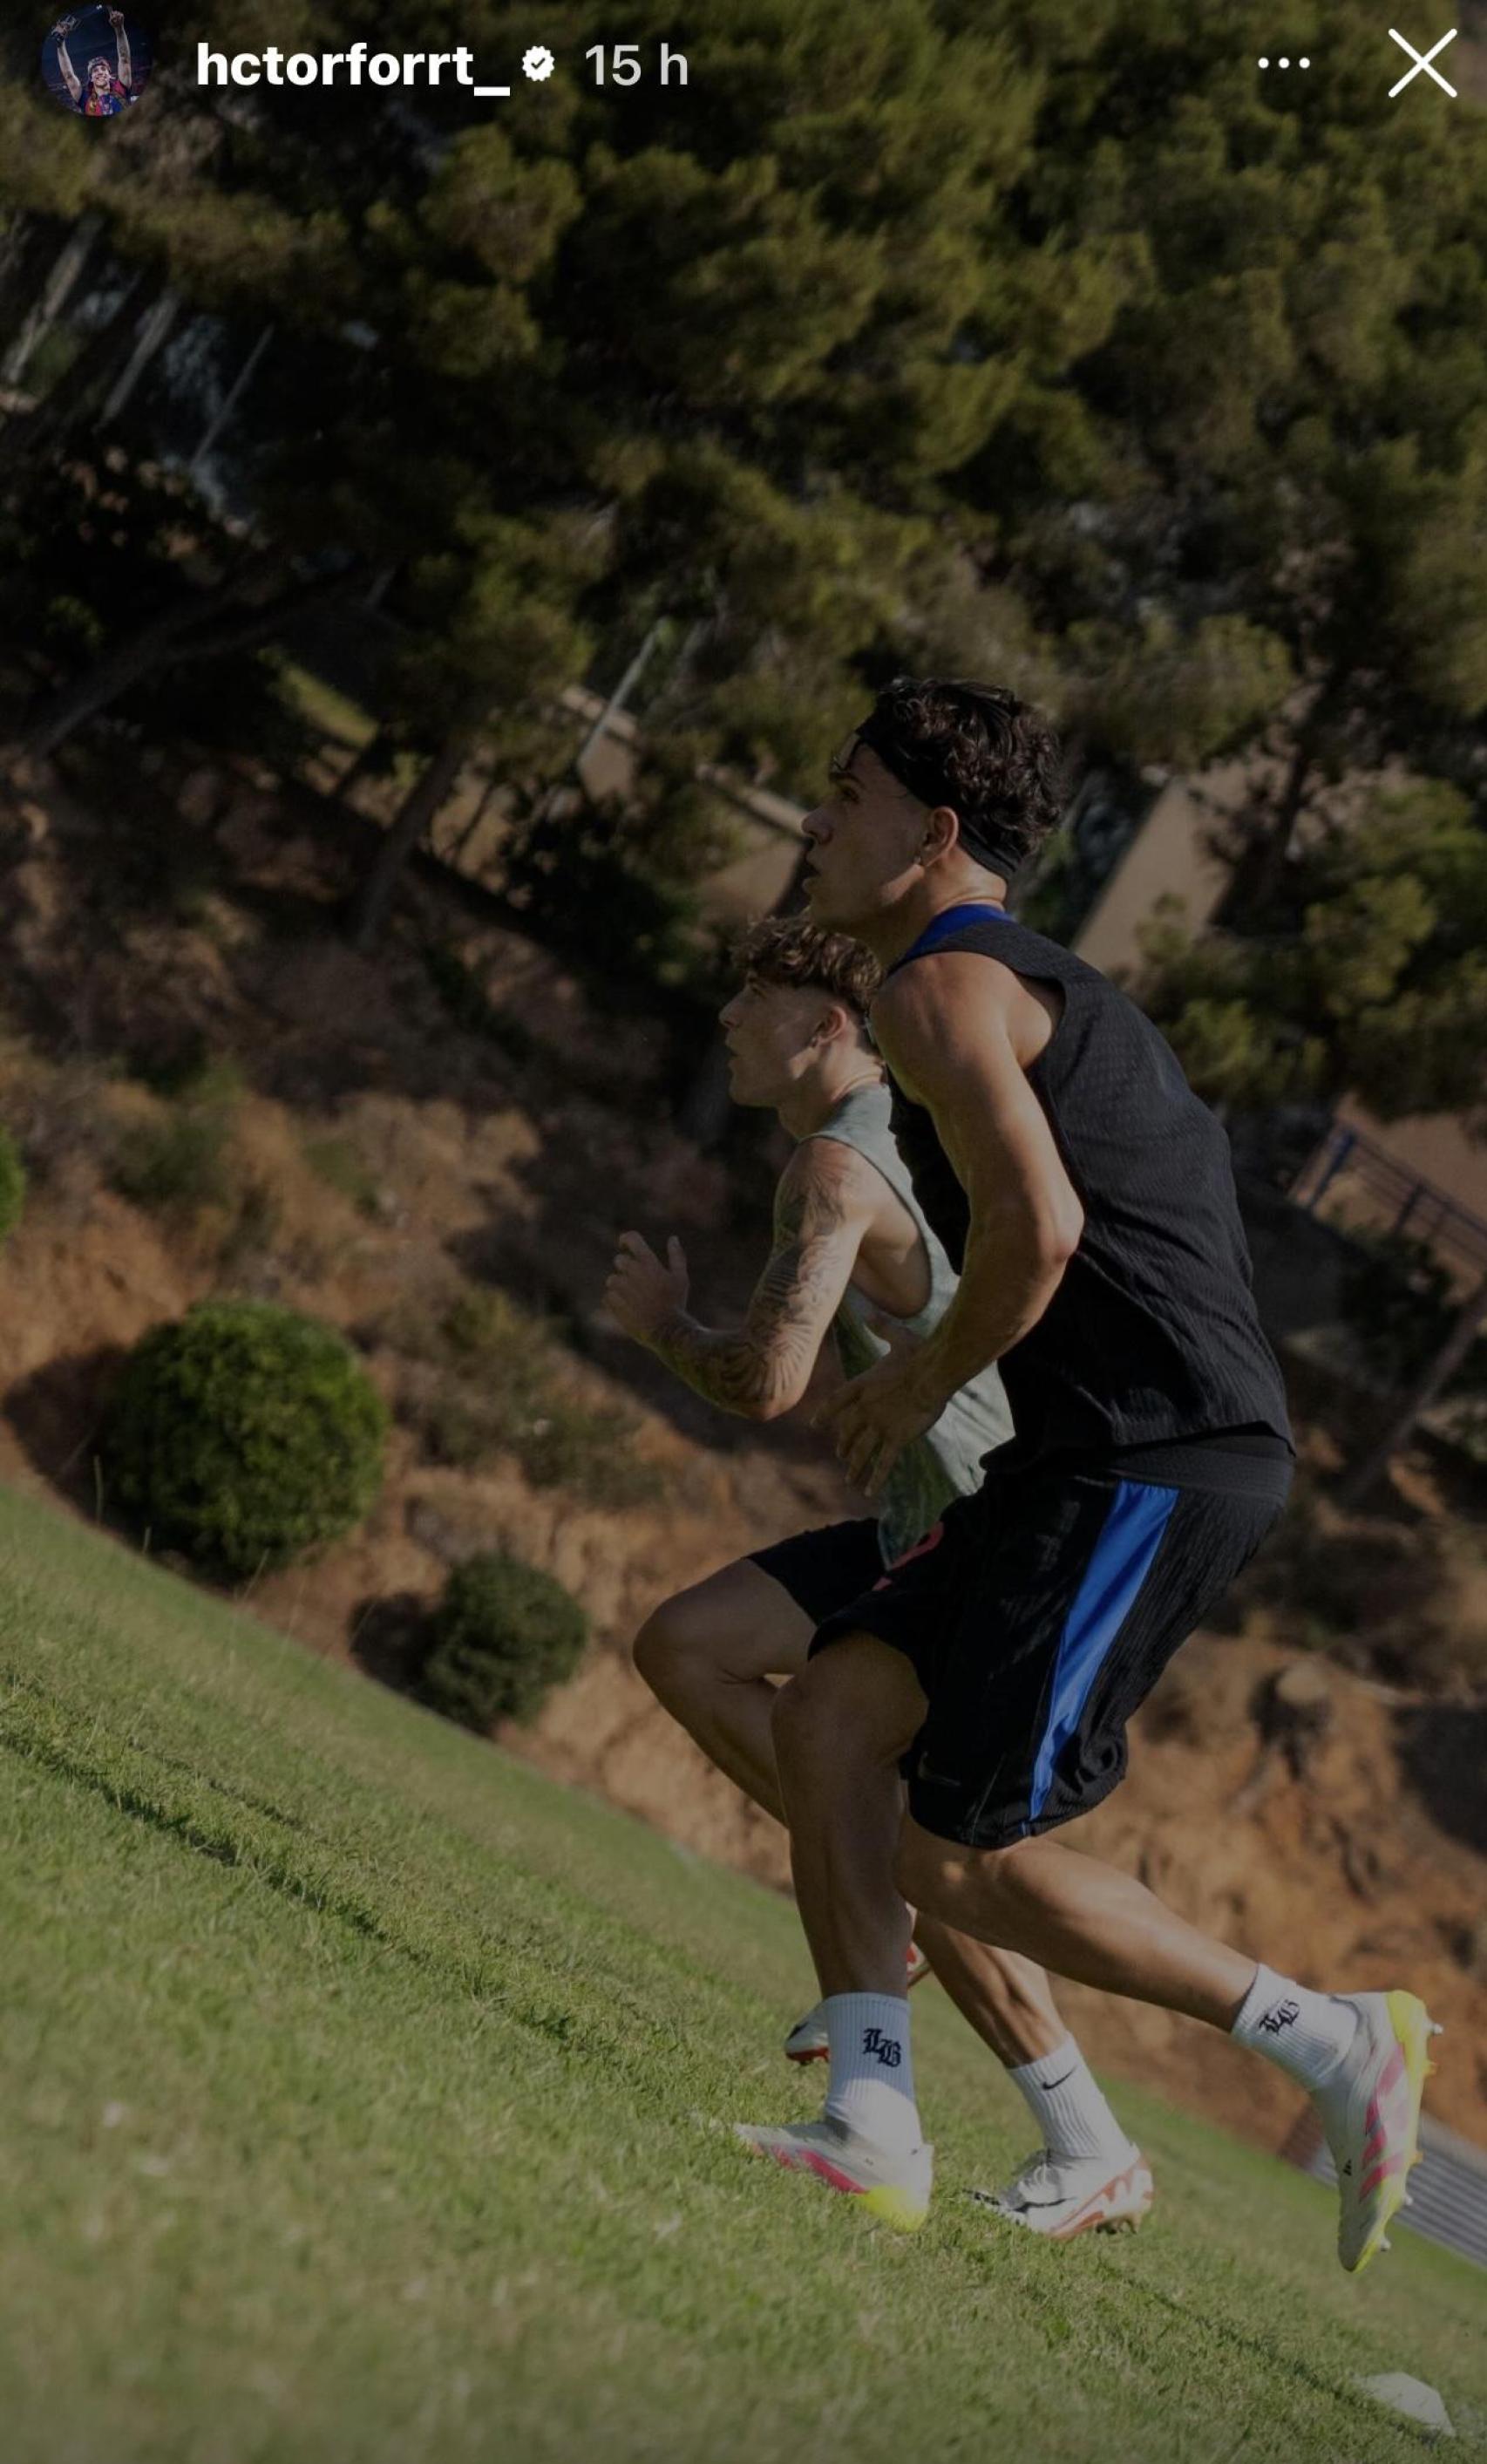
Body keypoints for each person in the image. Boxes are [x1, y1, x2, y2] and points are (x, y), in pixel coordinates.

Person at [734, 676, 1438, 2262]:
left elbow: (1044, 1231)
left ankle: (1334, 2043)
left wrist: (918, 1375)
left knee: (962, 1856)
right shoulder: (995, 979)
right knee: (837, 1716)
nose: (813, 816)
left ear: (935, 829)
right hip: (1095, 1452)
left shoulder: (938, 995)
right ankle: (869, 2127)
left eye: (843, 792)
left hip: (1153, 1459)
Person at [604, 916, 1153, 2240]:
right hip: (922, 1515)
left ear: (829, 1024)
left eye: (758, 994)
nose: (730, 1015)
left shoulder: (843, 1163)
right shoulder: (859, 1140)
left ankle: (1088, 2140)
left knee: (912, 1836)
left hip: (970, 1527)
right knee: (689, 1644)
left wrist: (661, 1328)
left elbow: (771, 1379)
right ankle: (884, 1912)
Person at [54, 10, 138, 116]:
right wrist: (60, 44)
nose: (99, 72)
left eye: (103, 69)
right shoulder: (84, 100)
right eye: (95, 71)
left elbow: (124, 59)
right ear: (91, 78)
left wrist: (119, 29)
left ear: (109, 75)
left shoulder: (121, 89)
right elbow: (69, 76)